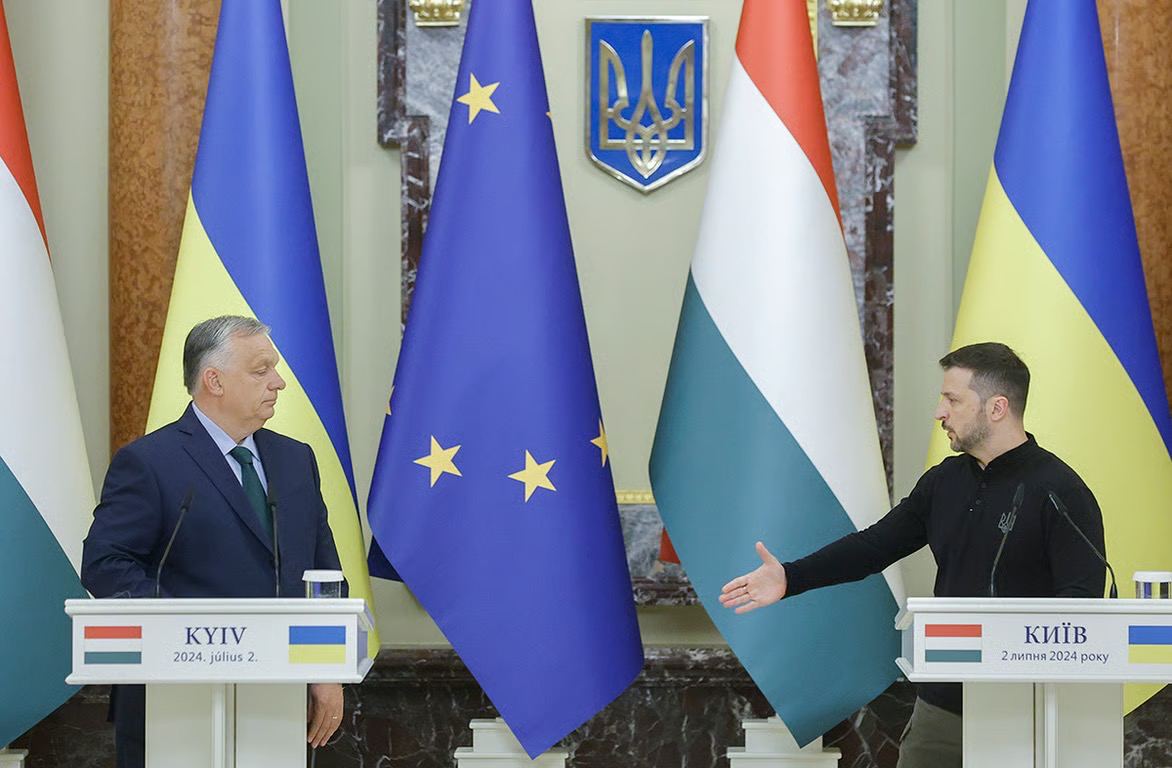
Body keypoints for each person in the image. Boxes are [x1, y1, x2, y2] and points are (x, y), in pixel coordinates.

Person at [718, 342, 1107, 768]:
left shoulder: (1061, 490)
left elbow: (1080, 606)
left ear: (997, 408)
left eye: (953, 400)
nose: (940, 412)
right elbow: (873, 547)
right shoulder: (943, 482)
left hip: (1024, 711)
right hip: (941, 706)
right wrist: (791, 577)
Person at [82, 316, 346, 768]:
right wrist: (186, 626)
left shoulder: (295, 459)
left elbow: (324, 576)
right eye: (261, 370)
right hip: (172, 702)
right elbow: (105, 563)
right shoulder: (149, 462)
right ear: (214, 380)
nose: (279, 382)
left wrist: (326, 671)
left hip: (280, 700)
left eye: (275, 369)